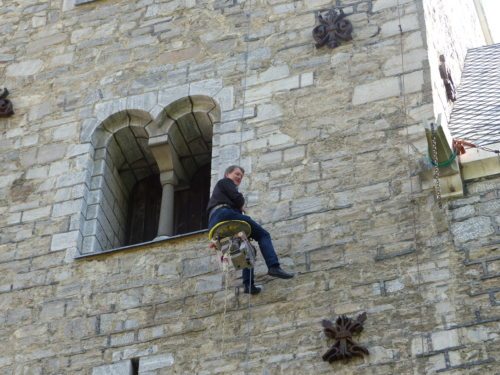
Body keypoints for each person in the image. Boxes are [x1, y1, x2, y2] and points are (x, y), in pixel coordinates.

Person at [207, 165, 294, 295]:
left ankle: (248, 285)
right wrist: (241, 204)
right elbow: (238, 198)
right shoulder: (225, 182)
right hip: (224, 214)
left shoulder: (220, 194)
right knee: (263, 235)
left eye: (241, 176)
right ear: (227, 174)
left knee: (247, 248)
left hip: (215, 221)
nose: (239, 177)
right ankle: (273, 266)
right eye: (237, 174)